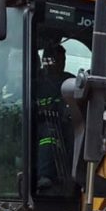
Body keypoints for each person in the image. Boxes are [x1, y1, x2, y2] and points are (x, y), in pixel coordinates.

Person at [35, 44, 74, 191]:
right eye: (55, 60)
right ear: (46, 61)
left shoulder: (69, 81)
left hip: (66, 128)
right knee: (49, 134)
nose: (60, 64)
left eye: (62, 60)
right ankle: (44, 175)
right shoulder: (34, 81)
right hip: (36, 128)